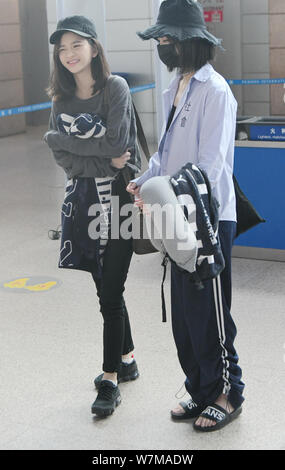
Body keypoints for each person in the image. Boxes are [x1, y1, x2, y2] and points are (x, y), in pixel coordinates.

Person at [127, 0, 245, 432]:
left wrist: (177, 199)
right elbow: (163, 155)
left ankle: (227, 393)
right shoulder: (172, 89)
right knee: (183, 314)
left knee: (210, 310)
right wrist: (145, 180)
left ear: (191, 42)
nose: (162, 47)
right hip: (174, 215)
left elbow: (212, 168)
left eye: (167, 40)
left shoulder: (216, 92)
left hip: (207, 218)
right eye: (159, 40)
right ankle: (199, 388)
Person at [44, 15, 141, 418]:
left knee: (110, 291)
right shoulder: (60, 101)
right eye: (62, 48)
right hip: (83, 199)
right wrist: (95, 153)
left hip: (121, 199)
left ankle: (110, 378)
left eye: (76, 45)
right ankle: (129, 358)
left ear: (94, 48)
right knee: (105, 283)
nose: (69, 54)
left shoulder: (115, 88)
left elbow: (121, 145)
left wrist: (66, 140)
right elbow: (61, 156)